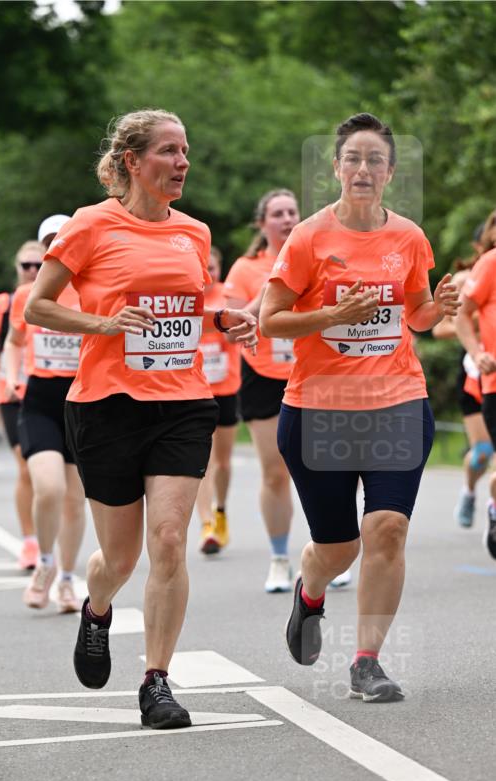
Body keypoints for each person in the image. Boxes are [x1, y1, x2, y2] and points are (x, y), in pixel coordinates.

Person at [25, 109, 257, 728]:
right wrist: (104, 323)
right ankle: (97, 608)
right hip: (105, 405)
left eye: (186, 151)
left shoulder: (196, 233)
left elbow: (190, 304)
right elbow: (38, 307)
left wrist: (222, 320)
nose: (182, 163)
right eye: (168, 151)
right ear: (132, 160)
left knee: (172, 540)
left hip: (182, 401)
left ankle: (156, 679)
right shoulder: (89, 225)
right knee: (119, 559)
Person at [260, 112, 459, 702]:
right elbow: (271, 321)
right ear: (337, 168)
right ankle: (310, 592)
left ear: (390, 173)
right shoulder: (310, 238)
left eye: (376, 160)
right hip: (319, 409)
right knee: (340, 546)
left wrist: (439, 306)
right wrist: (330, 316)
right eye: (354, 158)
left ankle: (366, 661)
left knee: (388, 529)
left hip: (397, 400)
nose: (364, 168)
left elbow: (416, 316)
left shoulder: (409, 237)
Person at [3, 216, 87, 613]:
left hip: (84, 400)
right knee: (49, 488)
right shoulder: (27, 294)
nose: (58, 247)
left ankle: (68, 581)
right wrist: (12, 378)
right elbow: (14, 342)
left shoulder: (92, 288)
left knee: (74, 500)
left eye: (63, 239)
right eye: (50, 242)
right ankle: (45, 563)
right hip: (39, 398)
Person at [224, 189, 301, 591]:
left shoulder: (317, 257)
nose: (287, 219)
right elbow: (234, 324)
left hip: (314, 371)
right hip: (263, 375)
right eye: (278, 213)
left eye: (292, 212)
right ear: (262, 223)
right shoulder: (243, 268)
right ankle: (279, 558)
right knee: (275, 473)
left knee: (338, 468)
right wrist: (271, 285)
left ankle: (334, 551)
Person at [0, 242, 42, 570]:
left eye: (38, 265)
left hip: (51, 391)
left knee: (55, 474)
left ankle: (49, 536)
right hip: (14, 394)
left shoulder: (58, 295)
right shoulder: (5, 303)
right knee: (26, 468)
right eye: (26, 265)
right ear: (17, 267)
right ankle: (30, 542)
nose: (32, 271)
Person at [432, 245, 493, 528]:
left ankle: (492, 507)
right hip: (472, 369)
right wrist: (481, 327)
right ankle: (469, 492)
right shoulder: (464, 279)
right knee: (482, 451)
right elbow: (442, 327)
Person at [455, 208, 496, 557]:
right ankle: (476, 497)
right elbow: (459, 314)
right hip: (486, 377)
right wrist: (477, 350)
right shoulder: (489, 264)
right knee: (483, 452)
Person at [195, 246, 241, 554]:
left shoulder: (228, 295)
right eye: (203, 268)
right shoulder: (188, 297)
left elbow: (234, 334)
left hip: (226, 387)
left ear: (219, 268)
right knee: (204, 460)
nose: (208, 273)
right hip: (197, 389)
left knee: (223, 461)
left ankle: (220, 510)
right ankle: (207, 524)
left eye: (212, 267)